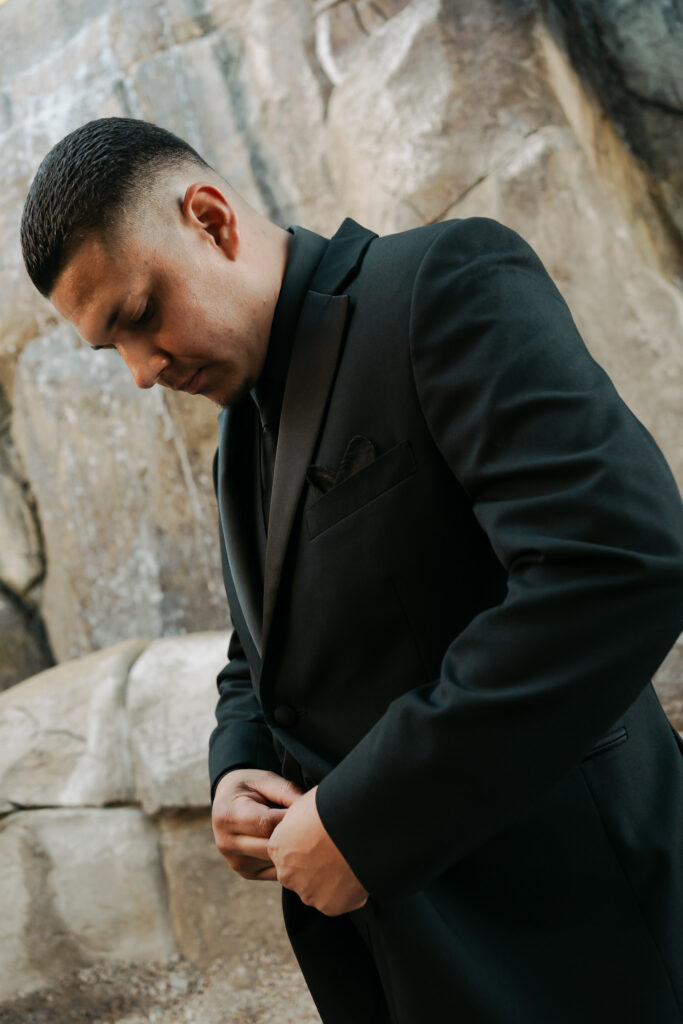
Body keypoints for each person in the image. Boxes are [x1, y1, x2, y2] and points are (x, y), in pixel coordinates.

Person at [21, 117, 683, 1024]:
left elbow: (616, 564)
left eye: (139, 316)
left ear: (211, 219)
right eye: (113, 349)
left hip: (579, 942)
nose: (140, 371)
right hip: (408, 965)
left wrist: (368, 823)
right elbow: (261, 654)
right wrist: (236, 769)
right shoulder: (235, 435)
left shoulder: (441, 283)